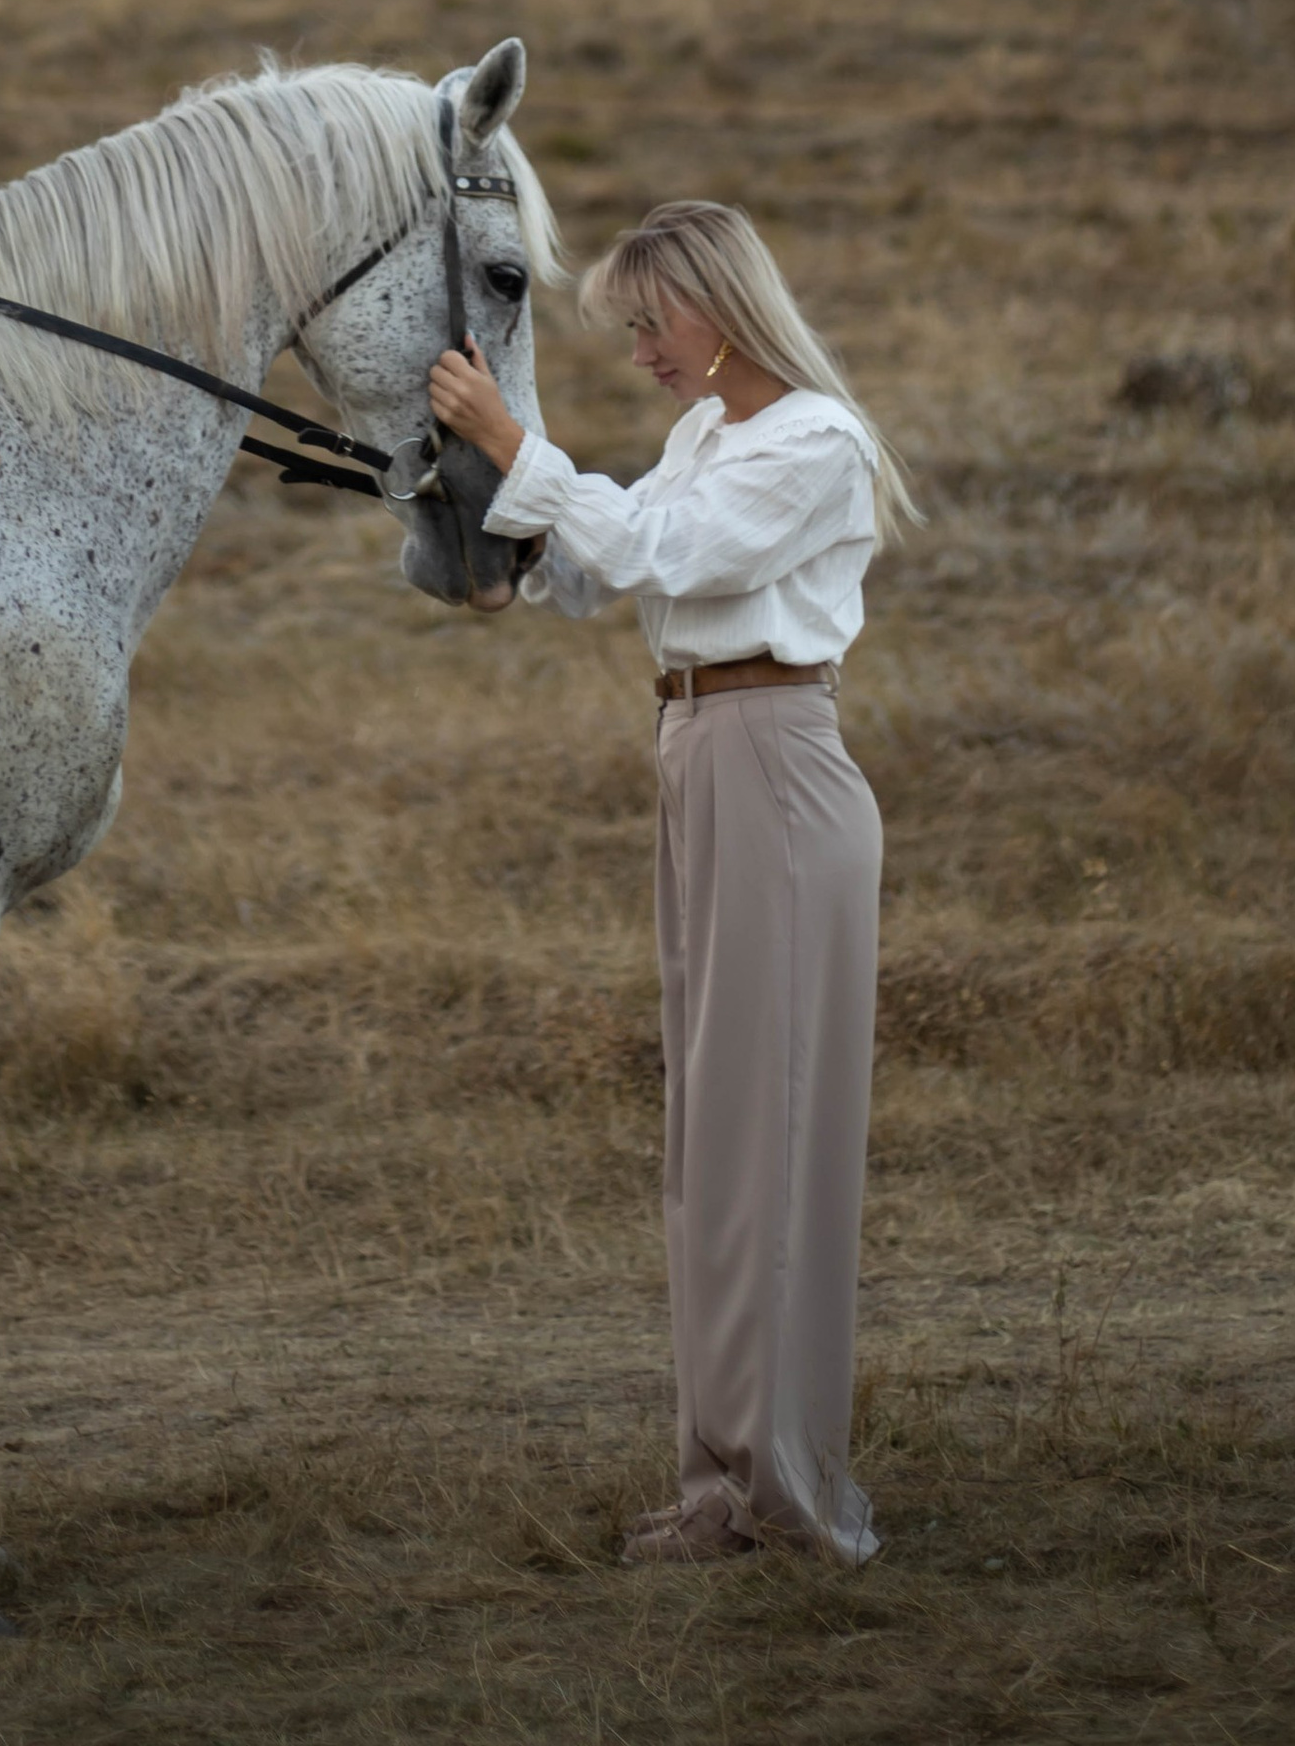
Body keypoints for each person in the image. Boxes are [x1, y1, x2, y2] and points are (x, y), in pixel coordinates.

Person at [428, 199, 916, 1570]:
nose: (641, 351)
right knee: (716, 1141)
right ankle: (723, 1481)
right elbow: (614, 567)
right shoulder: (710, 436)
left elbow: (669, 555)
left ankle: (782, 1494)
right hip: (701, 753)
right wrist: (506, 531)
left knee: (769, 1138)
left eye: (653, 323)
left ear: (721, 309)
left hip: (774, 763)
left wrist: (513, 445)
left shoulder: (817, 441)